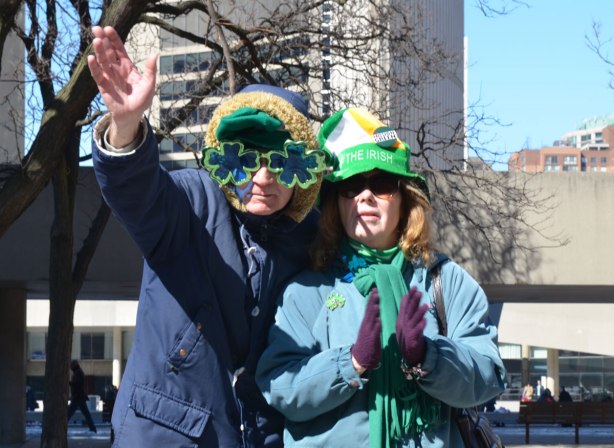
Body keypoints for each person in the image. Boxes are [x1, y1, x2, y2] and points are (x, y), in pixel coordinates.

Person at [87, 26, 325, 447]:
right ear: (225, 159)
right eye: (246, 160)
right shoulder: (195, 201)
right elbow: (138, 191)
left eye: (282, 161)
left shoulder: (310, 238)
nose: (263, 178)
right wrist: (125, 128)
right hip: (162, 434)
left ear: (303, 173)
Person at [256, 107, 507, 447]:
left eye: (382, 184)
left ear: (406, 200)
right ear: (335, 203)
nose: (365, 195)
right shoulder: (307, 290)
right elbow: (278, 387)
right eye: (351, 185)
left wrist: (428, 356)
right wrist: (351, 362)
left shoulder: (446, 282)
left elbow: (488, 376)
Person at [67, 360, 97, 433]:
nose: (70, 368)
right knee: (86, 413)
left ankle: (62, 427)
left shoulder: (78, 373)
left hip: (77, 397)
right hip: (79, 396)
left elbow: (77, 385)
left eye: (71, 366)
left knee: (69, 413)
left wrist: (70, 383)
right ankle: (92, 428)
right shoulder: (78, 372)